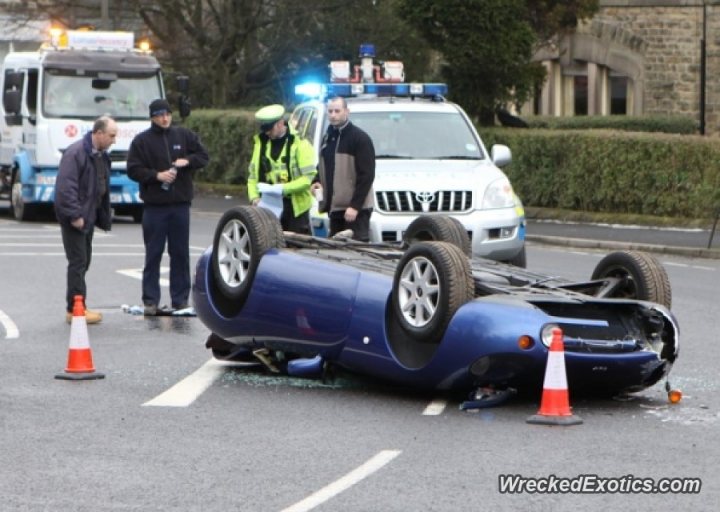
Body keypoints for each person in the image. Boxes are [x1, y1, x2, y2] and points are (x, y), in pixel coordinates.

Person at [127, 99, 209, 316]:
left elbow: (203, 157)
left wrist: (187, 161)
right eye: (160, 115)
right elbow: (133, 169)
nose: (165, 118)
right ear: (152, 117)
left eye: (167, 114)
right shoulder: (142, 141)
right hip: (155, 207)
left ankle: (180, 300)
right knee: (153, 254)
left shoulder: (183, 135)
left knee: (180, 254)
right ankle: (150, 301)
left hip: (180, 205)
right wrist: (156, 176)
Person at [55, 115, 117, 324]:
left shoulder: (101, 155)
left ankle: (78, 304)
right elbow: (66, 187)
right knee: (78, 261)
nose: (114, 140)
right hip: (77, 219)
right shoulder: (76, 154)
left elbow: (101, 186)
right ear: (98, 134)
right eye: (111, 135)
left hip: (88, 217)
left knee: (85, 260)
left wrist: (102, 215)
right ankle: (74, 308)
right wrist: (75, 216)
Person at [313, 96, 375, 241]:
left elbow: (367, 175)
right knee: (336, 254)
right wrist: (316, 181)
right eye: (330, 111)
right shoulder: (328, 137)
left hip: (355, 211)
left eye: (337, 111)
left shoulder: (360, 139)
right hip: (335, 209)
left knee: (356, 252)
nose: (333, 115)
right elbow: (323, 165)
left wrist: (355, 206)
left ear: (347, 111)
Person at [247, 104, 316, 234]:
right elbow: (252, 176)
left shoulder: (300, 143)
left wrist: (282, 189)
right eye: (264, 129)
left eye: (269, 128)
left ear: (280, 123)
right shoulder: (261, 144)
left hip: (296, 210)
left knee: (295, 250)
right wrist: (254, 197)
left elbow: (308, 179)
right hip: (268, 207)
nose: (267, 132)